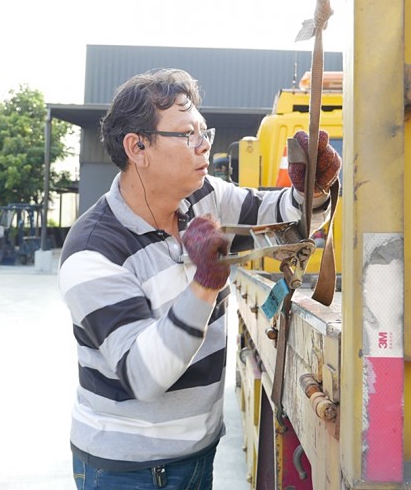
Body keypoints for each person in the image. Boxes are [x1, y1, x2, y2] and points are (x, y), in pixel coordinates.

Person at [59, 68, 341, 489]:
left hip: (197, 452)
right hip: (127, 469)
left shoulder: (204, 196)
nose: (204, 144)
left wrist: (313, 191)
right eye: (187, 134)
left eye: (203, 130)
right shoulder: (93, 250)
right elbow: (144, 376)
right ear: (138, 147)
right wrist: (205, 283)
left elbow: (287, 223)